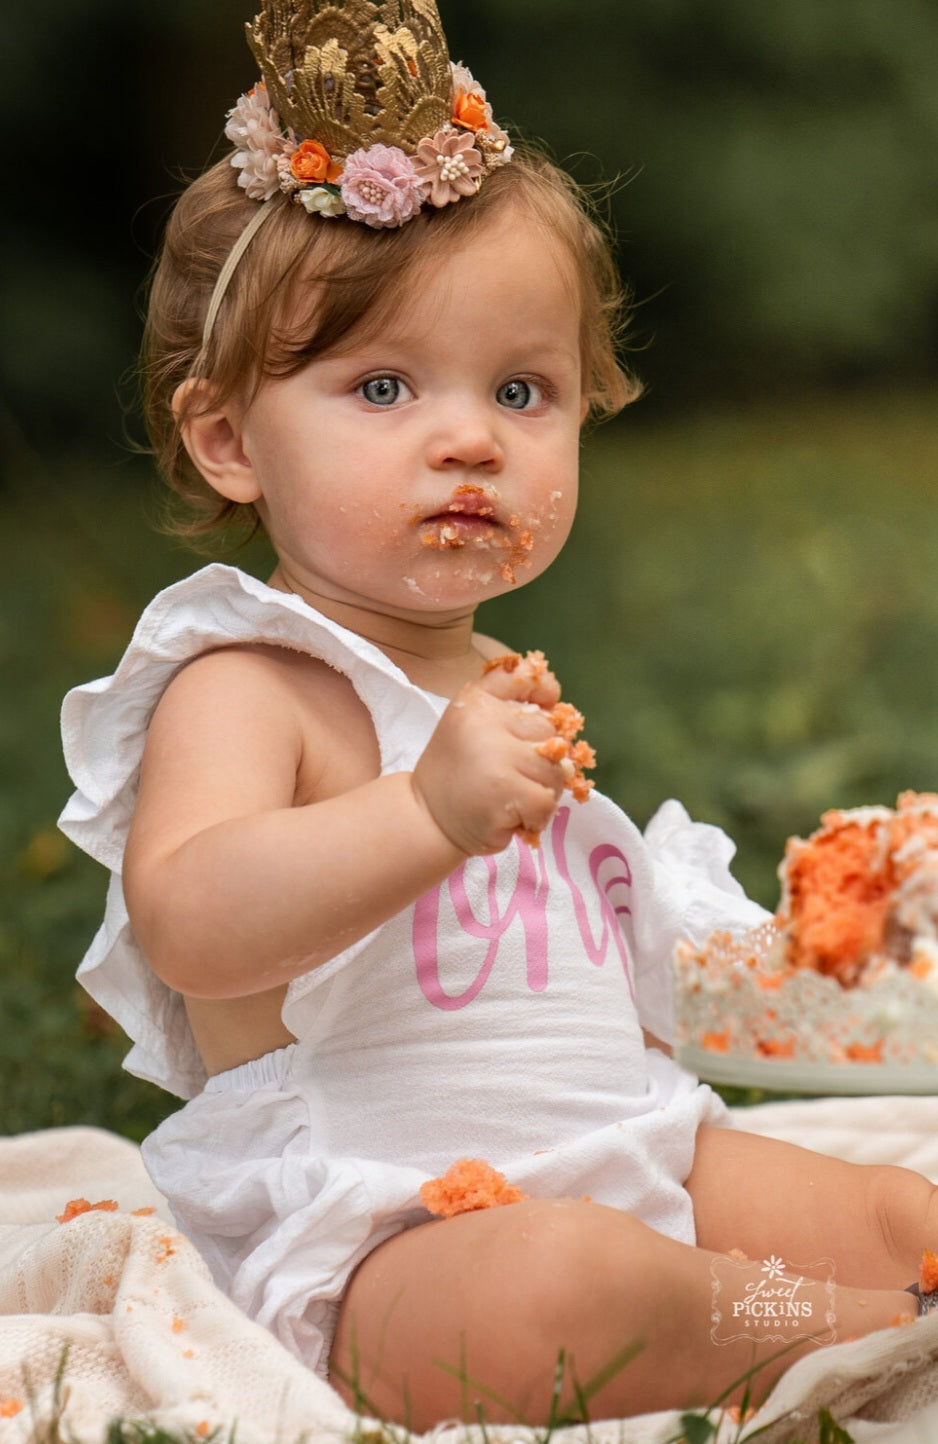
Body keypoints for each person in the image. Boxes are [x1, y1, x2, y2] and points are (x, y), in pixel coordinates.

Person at [60, 0, 938, 1430]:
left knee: (894, 1203)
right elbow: (189, 918)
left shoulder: (497, 692)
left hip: (627, 1147)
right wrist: (419, 811)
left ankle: (887, 1287)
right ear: (227, 438)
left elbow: (603, 964)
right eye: (384, 386)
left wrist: (838, 955)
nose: (469, 436)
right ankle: (858, 1334)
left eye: (520, 389)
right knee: (575, 1289)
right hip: (392, 1236)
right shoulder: (251, 682)